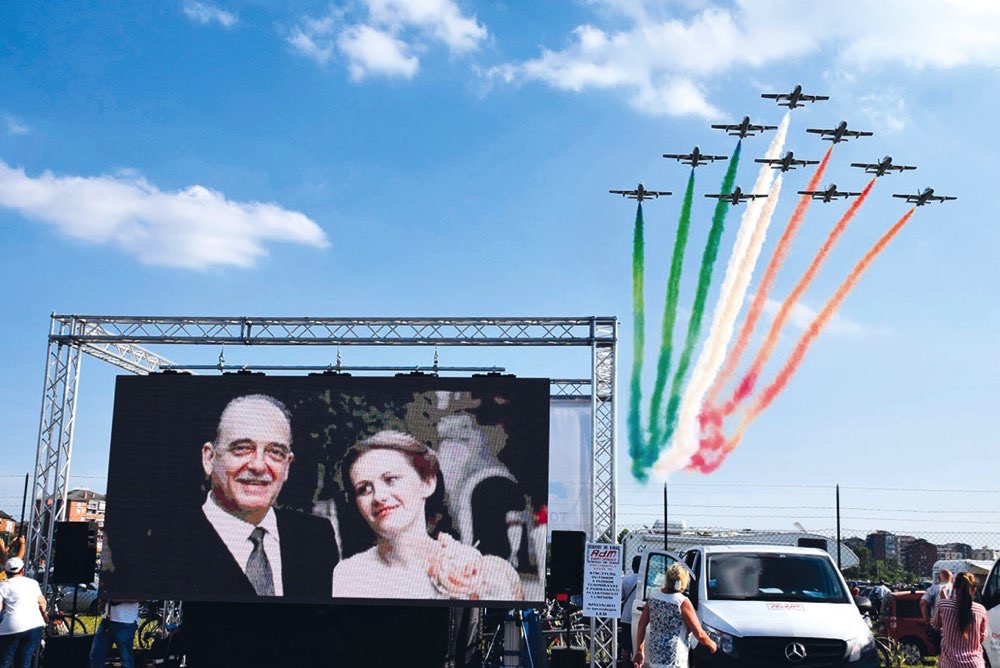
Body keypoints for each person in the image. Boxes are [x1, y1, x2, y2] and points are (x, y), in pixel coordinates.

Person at [332, 430, 523, 600]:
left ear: (428, 482)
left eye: (391, 479)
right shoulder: (348, 575)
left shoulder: (483, 572)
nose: (379, 497)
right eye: (364, 489)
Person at [193, 393, 339, 599]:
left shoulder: (316, 538)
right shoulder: (162, 546)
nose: (259, 466)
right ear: (209, 458)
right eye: (242, 448)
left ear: (287, 466)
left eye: (275, 452)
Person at [634, 562, 716, 668]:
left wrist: (640, 650)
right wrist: (711, 644)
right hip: (674, 657)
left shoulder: (653, 597)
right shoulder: (682, 602)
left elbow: (641, 626)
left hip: (655, 655)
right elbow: (699, 634)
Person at [932, 571, 987, 668]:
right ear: (974, 590)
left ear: (954, 588)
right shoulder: (981, 610)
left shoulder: (944, 605)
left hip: (950, 664)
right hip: (975, 664)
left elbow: (935, 624)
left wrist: (945, 601)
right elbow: (981, 637)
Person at [0, 557, 47, 668]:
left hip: (11, 627)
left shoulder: (3, 586)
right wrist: (44, 615)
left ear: (6, 572)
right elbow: (42, 602)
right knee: (25, 661)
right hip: (34, 625)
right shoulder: (33, 583)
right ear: (22, 570)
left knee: (5, 660)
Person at [89, 599, 140, 668]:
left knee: (126, 659)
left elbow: (141, 597)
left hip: (126, 620)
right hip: (107, 620)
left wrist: (117, 599)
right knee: (96, 655)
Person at [922, 568, 954, 651]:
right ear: (952, 578)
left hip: (937, 624)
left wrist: (927, 620)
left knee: (940, 651)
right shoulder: (956, 589)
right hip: (953, 624)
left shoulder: (933, 589)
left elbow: (923, 603)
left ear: (939, 579)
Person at [619, 556, 641, 666]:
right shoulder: (646, 580)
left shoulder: (626, 579)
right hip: (642, 617)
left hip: (627, 617)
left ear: (632, 566)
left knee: (626, 649)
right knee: (640, 647)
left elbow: (621, 597)